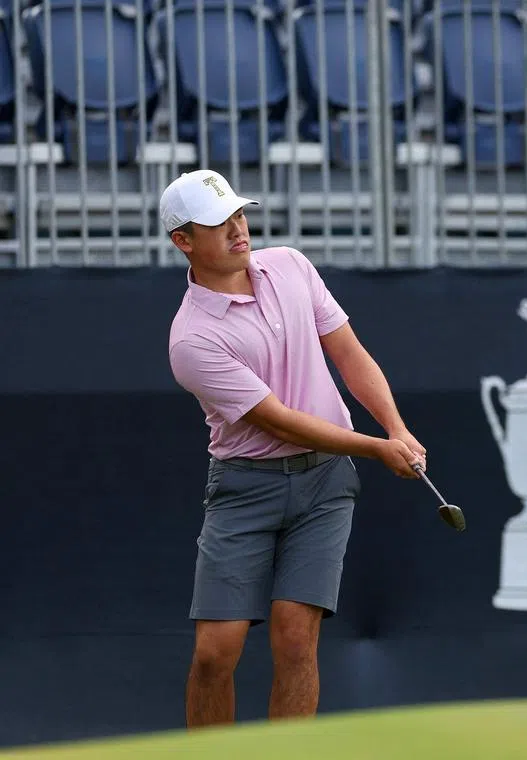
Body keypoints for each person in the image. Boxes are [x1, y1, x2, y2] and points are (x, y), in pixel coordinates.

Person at [162, 169, 425, 728]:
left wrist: (396, 427)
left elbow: (350, 355)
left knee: (296, 637)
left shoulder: (291, 266)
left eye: (239, 214)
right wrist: (377, 448)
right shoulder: (191, 339)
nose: (238, 229)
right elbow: (282, 424)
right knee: (215, 652)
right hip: (243, 488)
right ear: (183, 241)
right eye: (218, 223)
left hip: (324, 485)